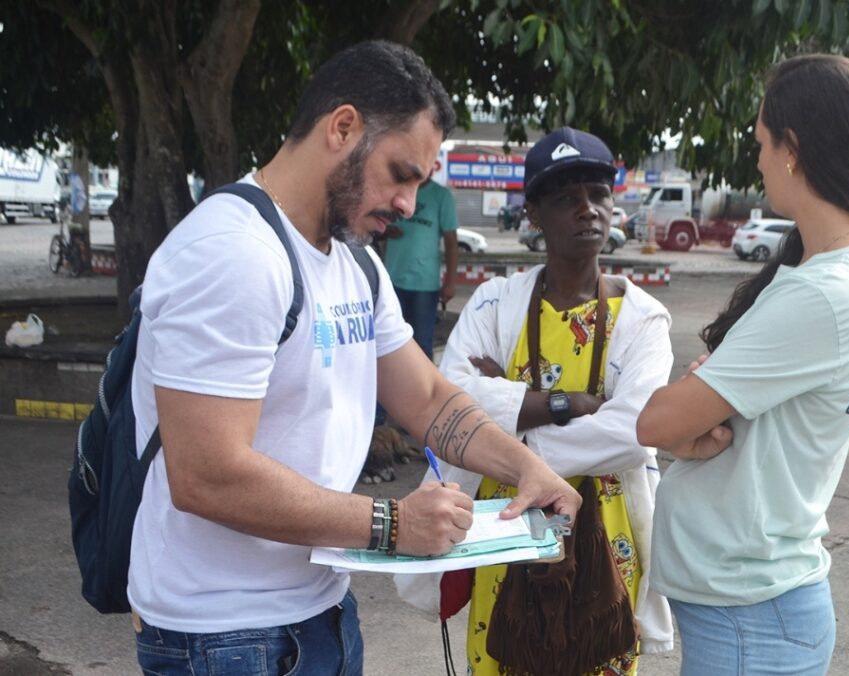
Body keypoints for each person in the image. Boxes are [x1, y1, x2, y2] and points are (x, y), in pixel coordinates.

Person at [127, 40, 581, 676]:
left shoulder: (355, 262)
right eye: (401, 173)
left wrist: (527, 467)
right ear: (342, 127)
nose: (409, 205)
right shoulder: (232, 253)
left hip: (321, 611)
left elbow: (426, 399)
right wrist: (393, 523)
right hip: (224, 635)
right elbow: (207, 474)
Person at [637, 54, 849, 675]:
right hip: (751, 610)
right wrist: (701, 406)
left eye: (760, 142)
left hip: (751, 618)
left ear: (793, 150)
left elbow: (657, 423)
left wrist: (695, 396)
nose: (756, 159)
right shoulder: (835, 266)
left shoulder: (821, 293)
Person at [396, 127, 675, 675]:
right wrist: (569, 403)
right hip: (505, 529)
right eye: (566, 198)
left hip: (605, 535)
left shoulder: (642, 319)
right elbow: (449, 401)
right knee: (505, 651)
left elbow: (634, 432)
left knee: (598, 651)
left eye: (598, 194)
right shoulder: (495, 303)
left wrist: (503, 419)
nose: (587, 209)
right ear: (533, 215)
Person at [380, 165, 459, 358]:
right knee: (388, 344)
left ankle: (423, 380)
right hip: (392, 280)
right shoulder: (395, 190)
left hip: (425, 285)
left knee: (422, 344)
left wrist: (450, 282)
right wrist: (386, 231)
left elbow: (451, 241)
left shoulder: (441, 196)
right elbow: (378, 224)